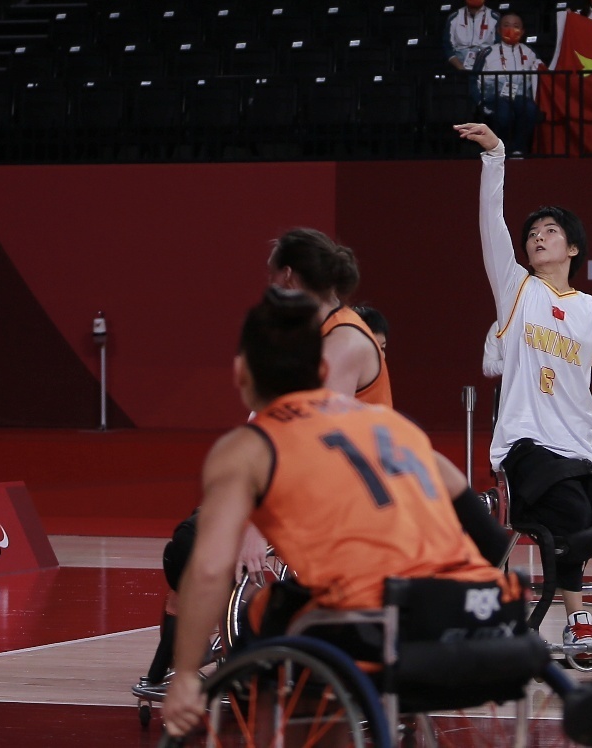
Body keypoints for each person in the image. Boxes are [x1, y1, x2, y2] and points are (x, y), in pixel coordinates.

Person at [158, 289, 512, 739]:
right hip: (464, 614)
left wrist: (186, 675)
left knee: (258, 625)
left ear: (243, 371)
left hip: (366, 619)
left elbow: (209, 570)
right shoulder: (394, 427)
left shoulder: (254, 445)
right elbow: (491, 540)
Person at [455, 120, 592, 662]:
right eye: (532, 233)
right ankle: (575, 616)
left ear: (572, 248)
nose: (537, 237)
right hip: (527, 442)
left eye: (549, 231)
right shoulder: (516, 289)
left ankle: (588, 620)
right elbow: (491, 223)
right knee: (572, 510)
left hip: (582, 445)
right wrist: (495, 157)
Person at [268, 227, 389, 406]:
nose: (269, 286)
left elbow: (320, 421)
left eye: (271, 275)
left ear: (288, 277)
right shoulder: (312, 332)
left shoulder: (344, 341)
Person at [474, 14, 543, 157]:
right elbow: (474, 80)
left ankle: (518, 149)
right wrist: (479, 102)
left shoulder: (529, 52)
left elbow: (542, 74)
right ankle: (501, 149)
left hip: (521, 96)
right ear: (499, 30)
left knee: (530, 110)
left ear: (522, 31)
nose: (511, 29)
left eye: (516, 26)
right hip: (494, 97)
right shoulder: (487, 53)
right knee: (504, 115)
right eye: (506, 25)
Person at [446, 0, 498, 71]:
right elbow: (448, 47)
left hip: (487, 65)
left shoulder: (495, 18)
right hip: (459, 64)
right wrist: (461, 68)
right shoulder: (454, 17)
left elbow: (498, 47)